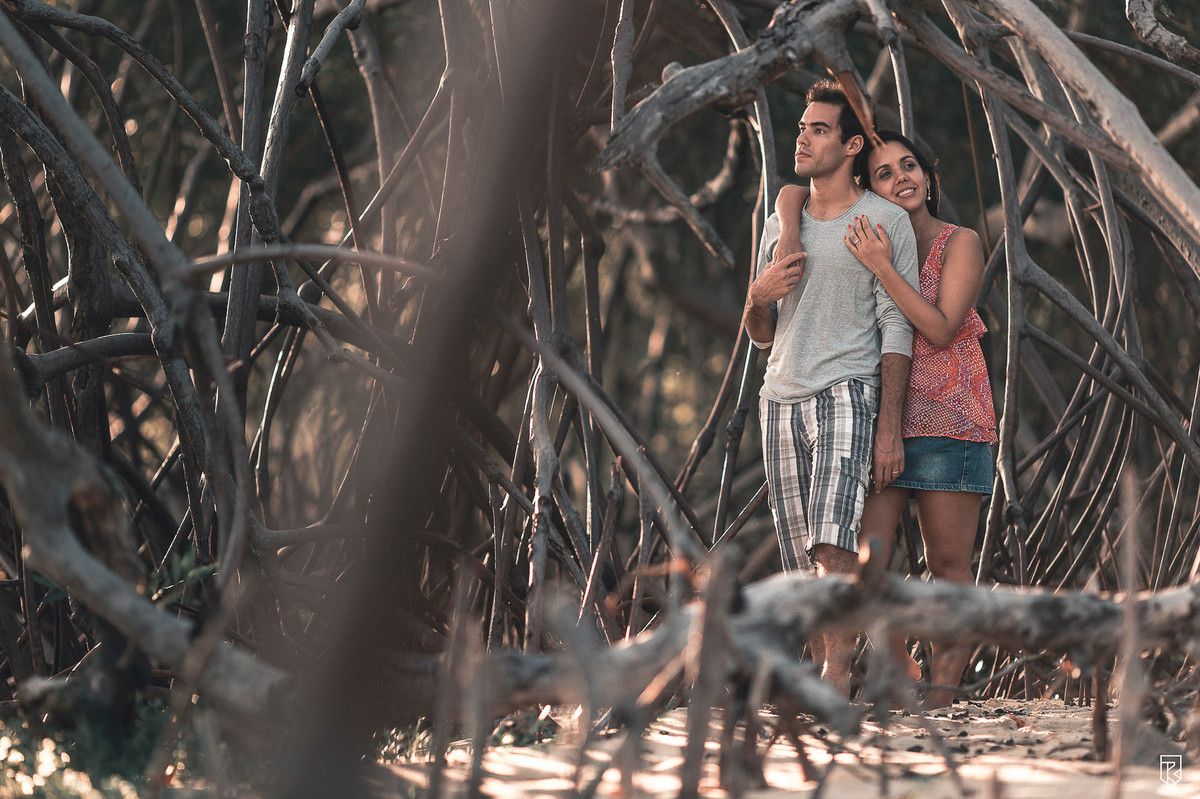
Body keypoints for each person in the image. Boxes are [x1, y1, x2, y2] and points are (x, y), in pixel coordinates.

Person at [779, 129, 998, 708]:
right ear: (866, 183)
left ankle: (945, 693)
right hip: (885, 421)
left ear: (928, 176)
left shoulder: (960, 242)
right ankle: (901, 677)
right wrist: (789, 206)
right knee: (867, 561)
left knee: (948, 564)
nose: (901, 178)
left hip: (953, 420)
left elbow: (941, 327)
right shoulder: (866, 231)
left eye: (910, 166)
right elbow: (799, 193)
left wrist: (882, 265)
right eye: (884, 172)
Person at [742, 80, 919, 696]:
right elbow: (762, 333)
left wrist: (890, 427)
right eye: (801, 127)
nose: (802, 137)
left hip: (849, 389)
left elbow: (897, 327)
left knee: (831, 538)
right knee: (799, 554)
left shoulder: (885, 220)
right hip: (779, 395)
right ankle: (826, 674)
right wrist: (755, 297)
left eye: (818, 129)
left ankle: (835, 673)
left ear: (849, 146)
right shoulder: (779, 221)